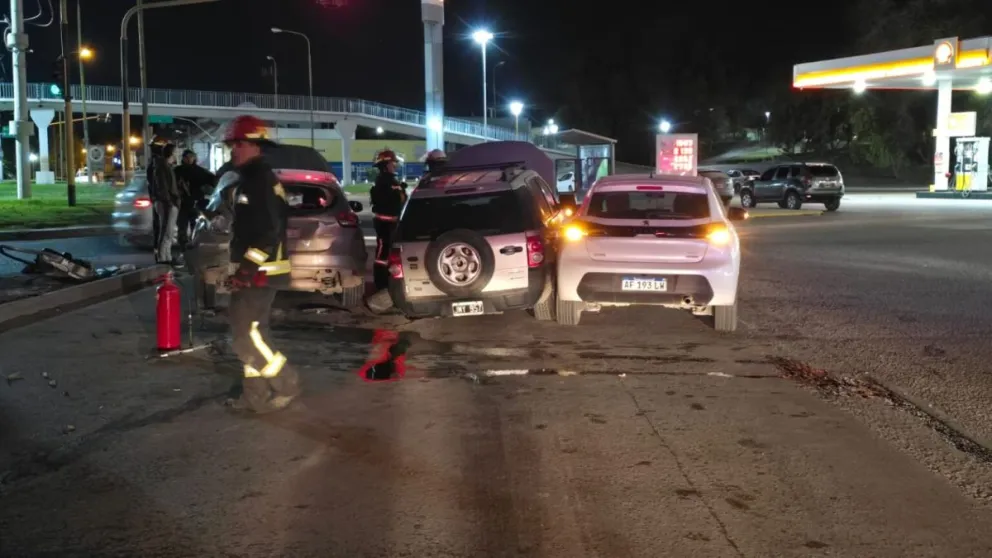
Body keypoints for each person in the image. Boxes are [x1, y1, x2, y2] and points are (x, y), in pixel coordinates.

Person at [222, 114, 300, 414]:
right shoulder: (253, 180)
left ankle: (286, 383)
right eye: (232, 144)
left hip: (261, 274)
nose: (233, 149)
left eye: (238, 143)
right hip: (256, 273)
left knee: (247, 336)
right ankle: (254, 397)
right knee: (250, 334)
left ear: (255, 146)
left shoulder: (260, 182)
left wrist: (246, 270)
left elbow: (267, 233)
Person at [369, 150, 407, 291]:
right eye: (392, 163)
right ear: (385, 165)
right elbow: (397, 201)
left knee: (388, 253)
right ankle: (381, 283)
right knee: (383, 254)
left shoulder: (388, 181)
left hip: (391, 223)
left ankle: (386, 282)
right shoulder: (386, 182)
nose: (395, 166)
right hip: (386, 224)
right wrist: (400, 191)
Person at [174, 149, 218, 250]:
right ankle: (183, 249)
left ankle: (194, 248)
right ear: (183, 158)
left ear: (194, 158)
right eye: (187, 157)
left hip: (197, 203)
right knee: (182, 228)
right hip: (182, 203)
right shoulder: (177, 171)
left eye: (191, 157)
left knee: (197, 227)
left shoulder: (200, 171)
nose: (189, 159)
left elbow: (213, 181)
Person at [147, 138, 181, 265]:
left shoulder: (162, 165)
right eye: (174, 152)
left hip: (166, 202)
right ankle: (163, 259)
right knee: (166, 232)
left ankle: (167, 257)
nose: (176, 155)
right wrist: (169, 201)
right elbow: (162, 186)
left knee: (168, 232)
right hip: (166, 203)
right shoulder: (160, 166)